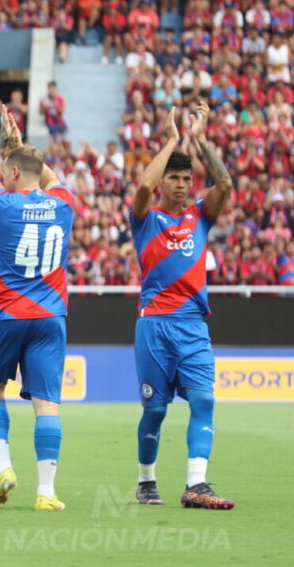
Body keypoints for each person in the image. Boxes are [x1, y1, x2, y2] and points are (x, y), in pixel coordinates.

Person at [0, 107, 75, 511]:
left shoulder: (3, 203)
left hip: (7, 314)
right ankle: (47, 492)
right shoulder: (64, 202)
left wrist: (1, 146)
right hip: (49, 317)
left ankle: (4, 466)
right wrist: (22, 148)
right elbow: (47, 175)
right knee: (47, 403)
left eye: (6, 169)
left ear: (10, 174)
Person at [128, 103, 234, 509]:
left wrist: (202, 140)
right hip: (154, 326)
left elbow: (223, 186)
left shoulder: (199, 217)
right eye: (174, 177)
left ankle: (196, 484)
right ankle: (146, 480)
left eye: (187, 178)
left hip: (192, 326)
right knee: (155, 411)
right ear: (163, 182)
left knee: (204, 400)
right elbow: (141, 188)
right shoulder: (145, 220)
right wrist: (172, 139)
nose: (181, 184)